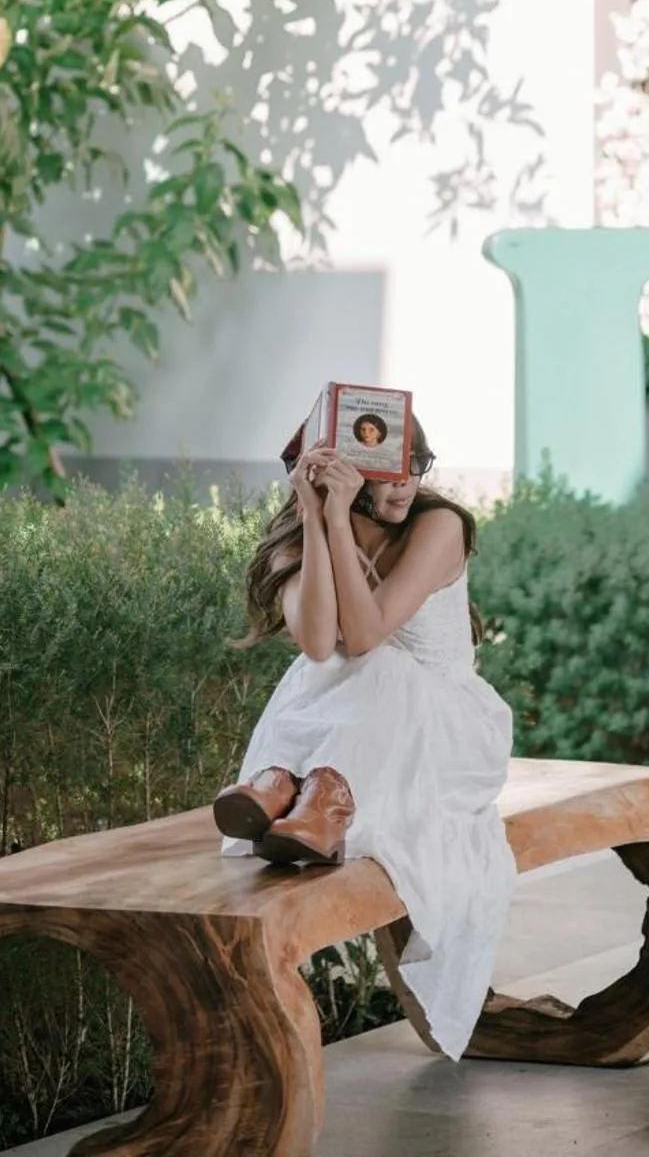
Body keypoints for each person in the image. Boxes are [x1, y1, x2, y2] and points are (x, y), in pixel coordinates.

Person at [213, 411, 516, 1061]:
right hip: (359, 722)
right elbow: (320, 642)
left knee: (376, 663)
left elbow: (366, 633)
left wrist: (338, 521)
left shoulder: (440, 526)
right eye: (385, 470)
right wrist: (323, 523)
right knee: (319, 673)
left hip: (448, 732)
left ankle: (304, 792)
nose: (404, 482)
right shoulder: (306, 535)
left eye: (417, 465)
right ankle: (294, 792)